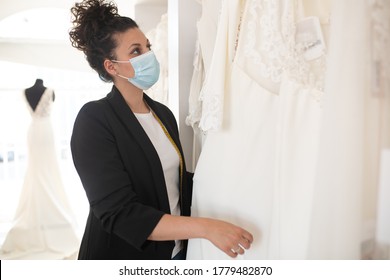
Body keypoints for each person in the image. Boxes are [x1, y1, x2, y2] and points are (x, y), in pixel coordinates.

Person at [68, 0, 253, 260]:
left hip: (176, 253)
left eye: (148, 47)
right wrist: (207, 228)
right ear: (111, 66)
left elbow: (172, 183)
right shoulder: (95, 120)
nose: (148, 56)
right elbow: (120, 213)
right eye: (135, 51)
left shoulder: (163, 115)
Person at [0, 79, 79, 259]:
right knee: (36, 170)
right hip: (40, 131)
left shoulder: (44, 91)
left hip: (39, 131)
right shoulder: (35, 91)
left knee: (47, 171)